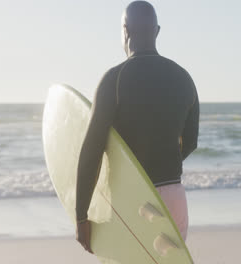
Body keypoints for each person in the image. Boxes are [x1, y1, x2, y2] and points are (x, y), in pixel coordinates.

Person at [75, 1, 199, 254]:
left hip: (133, 199)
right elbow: (191, 142)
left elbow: (91, 149)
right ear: (157, 31)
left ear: (125, 30)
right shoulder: (184, 78)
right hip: (175, 197)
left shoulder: (115, 79)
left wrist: (81, 216)